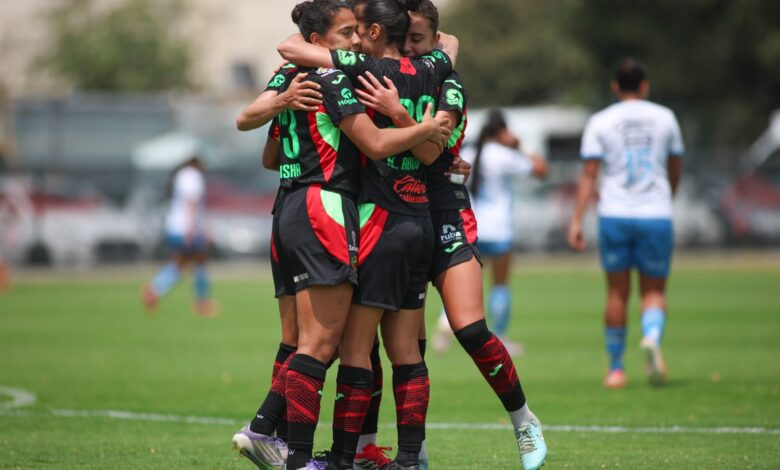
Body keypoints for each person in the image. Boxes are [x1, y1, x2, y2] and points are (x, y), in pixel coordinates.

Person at [232, 2, 444, 470]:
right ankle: (294, 454)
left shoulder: (288, 75)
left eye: (356, 31)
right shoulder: (332, 79)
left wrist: (284, 108)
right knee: (322, 345)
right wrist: (426, 129)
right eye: (345, 32)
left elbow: (260, 143)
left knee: (295, 341)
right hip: (324, 205)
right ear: (317, 41)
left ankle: (273, 436)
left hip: (285, 207)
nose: (353, 41)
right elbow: (374, 143)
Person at [353, 3, 548, 469]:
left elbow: (432, 150)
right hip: (400, 212)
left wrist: (401, 116)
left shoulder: (448, 81)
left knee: (470, 328)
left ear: (435, 40)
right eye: (404, 39)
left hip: (446, 210)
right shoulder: (392, 72)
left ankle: (523, 420)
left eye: (419, 40)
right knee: (402, 343)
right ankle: (407, 452)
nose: (409, 48)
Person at [567, 58, 684, 388]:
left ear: (615, 87)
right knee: (654, 291)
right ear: (645, 86)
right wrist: (667, 196)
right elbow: (675, 167)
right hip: (656, 213)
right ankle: (651, 336)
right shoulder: (666, 118)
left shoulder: (600, 121)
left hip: (614, 214)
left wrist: (576, 219)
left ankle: (616, 369)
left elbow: (589, 175)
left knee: (617, 293)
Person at [431, 110, 547, 356]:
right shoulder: (505, 155)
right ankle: (501, 336)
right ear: (502, 132)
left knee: (461, 282)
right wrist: (522, 146)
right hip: (500, 229)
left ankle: (445, 322)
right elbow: (540, 170)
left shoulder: (469, 152)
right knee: (500, 285)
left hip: (472, 227)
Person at [142, 156, 217, 316]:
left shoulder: (181, 175)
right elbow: (191, 202)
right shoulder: (193, 176)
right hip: (186, 229)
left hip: (175, 227)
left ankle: (154, 290)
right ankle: (202, 303)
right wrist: (192, 229)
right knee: (200, 261)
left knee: (180, 263)